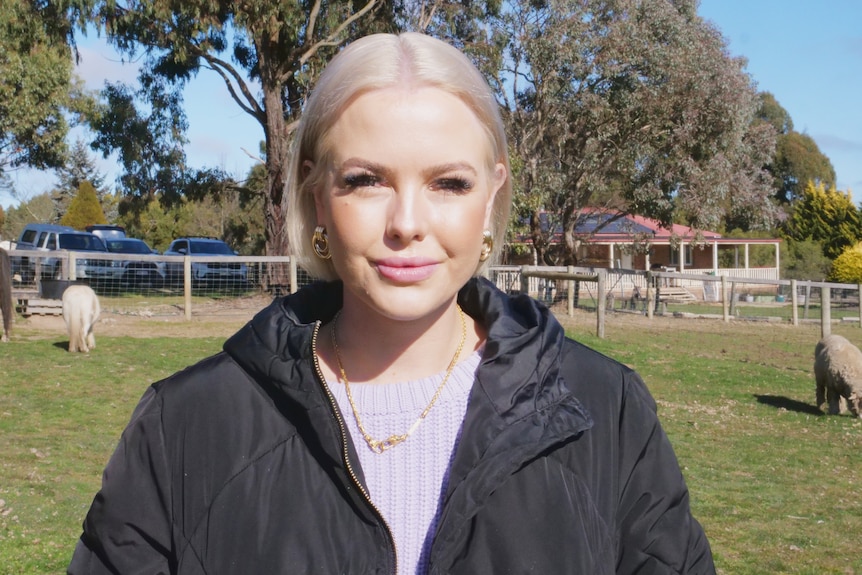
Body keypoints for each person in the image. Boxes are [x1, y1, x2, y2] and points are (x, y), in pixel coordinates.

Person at [68, 32, 715, 574]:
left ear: (491, 196)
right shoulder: (185, 426)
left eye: (449, 182)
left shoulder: (608, 414)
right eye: (366, 180)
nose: (407, 221)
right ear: (315, 194)